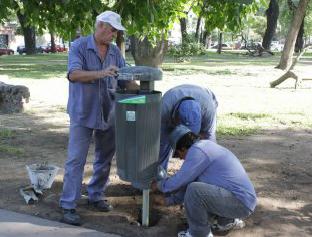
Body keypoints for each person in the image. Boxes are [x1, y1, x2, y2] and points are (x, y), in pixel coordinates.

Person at [59, 11, 136, 226]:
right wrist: (101, 73)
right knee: (76, 160)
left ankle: (95, 195)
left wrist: (142, 88)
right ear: (100, 25)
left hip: (108, 112)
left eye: (116, 31)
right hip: (83, 112)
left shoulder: (114, 52)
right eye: (112, 30)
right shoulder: (79, 46)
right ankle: (68, 205)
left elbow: (123, 78)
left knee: (104, 158)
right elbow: (73, 75)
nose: (114, 34)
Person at [152, 125, 257, 237]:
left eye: (178, 155)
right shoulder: (205, 147)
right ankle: (226, 222)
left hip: (239, 203)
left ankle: (199, 234)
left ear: (182, 148)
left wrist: (159, 185)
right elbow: (188, 184)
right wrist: (168, 201)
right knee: (197, 189)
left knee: (195, 190)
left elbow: (180, 181)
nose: (181, 159)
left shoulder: (197, 151)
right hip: (244, 200)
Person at [159, 84, 218, 170]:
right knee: (164, 143)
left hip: (206, 97)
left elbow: (210, 138)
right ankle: (160, 173)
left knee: (204, 144)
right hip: (171, 103)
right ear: (177, 118)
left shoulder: (208, 111)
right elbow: (161, 139)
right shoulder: (164, 109)